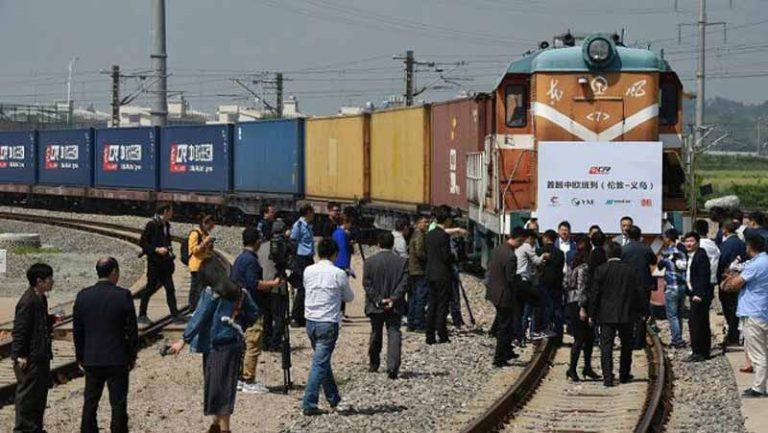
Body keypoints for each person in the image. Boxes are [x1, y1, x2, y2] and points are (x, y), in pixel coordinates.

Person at [169, 258, 259, 433]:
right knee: (225, 385)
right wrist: (238, 326)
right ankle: (216, 424)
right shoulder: (239, 291)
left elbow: (199, 317)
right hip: (233, 345)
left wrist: (184, 340)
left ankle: (224, 428)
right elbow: (254, 312)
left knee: (218, 388)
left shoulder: (211, 293)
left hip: (216, 347)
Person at [73, 257, 139, 433]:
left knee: (90, 401)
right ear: (114, 272)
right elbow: (132, 330)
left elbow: (78, 330)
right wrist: (132, 355)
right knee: (118, 403)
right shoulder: (123, 295)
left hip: (92, 358)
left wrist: (80, 356)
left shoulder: (83, 296)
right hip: (117, 358)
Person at [301, 239, 355, 415]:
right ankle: (309, 403)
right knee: (319, 363)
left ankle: (334, 398)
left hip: (310, 321)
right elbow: (349, 297)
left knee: (322, 362)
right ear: (335, 253)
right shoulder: (338, 273)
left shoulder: (308, 270)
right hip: (328, 322)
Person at [230, 228, 281, 394]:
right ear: (257, 241)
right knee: (253, 343)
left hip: (240, 306)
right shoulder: (251, 260)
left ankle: (238, 378)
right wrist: (273, 284)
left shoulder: (240, 258)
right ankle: (248, 379)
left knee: (242, 344)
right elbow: (254, 284)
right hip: (251, 306)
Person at [590, 242, 644, 387]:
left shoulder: (601, 270)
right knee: (627, 345)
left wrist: (592, 314)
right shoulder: (630, 270)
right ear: (621, 254)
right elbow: (639, 292)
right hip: (627, 313)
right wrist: (643, 311)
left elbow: (595, 294)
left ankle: (607, 377)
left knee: (606, 346)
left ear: (607, 254)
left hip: (606, 314)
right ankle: (624, 374)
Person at [722, 235, 768, 397]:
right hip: (763, 310)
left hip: (754, 312)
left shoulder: (756, 265)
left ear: (750, 247)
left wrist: (730, 278)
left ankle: (758, 387)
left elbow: (734, 284)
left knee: (758, 353)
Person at [12, 263, 54, 433]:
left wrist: (51, 319)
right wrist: (20, 355)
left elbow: (40, 322)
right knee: (27, 394)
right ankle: (23, 428)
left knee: (39, 394)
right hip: (30, 356)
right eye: (49, 279)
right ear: (39, 281)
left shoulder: (41, 298)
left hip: (41, 354)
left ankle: (35, 427)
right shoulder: (27, 302)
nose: (52, 282)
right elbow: (20, 330)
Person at [363, 232, 408, 379]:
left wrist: (378, 299)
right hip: (395, 305)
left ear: (378, 244)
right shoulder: (402, 262)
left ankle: (374, 363)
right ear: (392, 244)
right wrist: (393, 299)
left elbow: (367, 284)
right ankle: (393, 367)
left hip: (375, 305)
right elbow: (404, 283)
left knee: (376, 332)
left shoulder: (369, 262)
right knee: (394, 332)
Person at [486, 228, 525, 367]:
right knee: (505, 326)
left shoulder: (498, 249)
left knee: (504, 323)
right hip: (504, 295)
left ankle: (507, 351)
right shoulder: (511, 256)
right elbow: (510, 278)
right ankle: (499, 357)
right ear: (519, 239)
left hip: (494, 291)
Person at [138, 202, 181, 324]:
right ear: (165, 211)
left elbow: (166, 241)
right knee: (150, 288)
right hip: (154, 263)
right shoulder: (152, 225)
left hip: (165, 264)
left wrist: (169, 250)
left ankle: (175, 315)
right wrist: (156, 249)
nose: (172, 214)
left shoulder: (166, 225)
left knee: (170, 289)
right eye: (171, 211)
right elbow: (143, 243)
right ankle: (142, 314)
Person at [565, 236, 599, 381]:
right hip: (580, 304)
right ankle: (573, 368)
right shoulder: (584, 268)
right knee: (582, 338)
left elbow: (566, 283)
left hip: (571, 301)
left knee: (587, 337)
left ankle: (586, 367)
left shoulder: (571, 265)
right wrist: (583, 308)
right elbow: (582, 288)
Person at [621, 225, 657, 349]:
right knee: (642, 314)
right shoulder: (646, 248)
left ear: (628, 236)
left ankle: (628, 339)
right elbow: (653, 261)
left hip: (628, 285)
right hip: (644, 285)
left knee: (628, 312)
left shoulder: (624, 249)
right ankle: (639, 341)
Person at [425, 205, 455, 344]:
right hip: (442, 274)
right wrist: (453, 257)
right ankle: (442, 334)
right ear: (447, 220)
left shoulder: (430, 234)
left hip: (430, 272)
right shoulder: (444, 236)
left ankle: (429, 335)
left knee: (432, 304)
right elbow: (446, 256)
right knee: (442, 305)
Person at [683, 231, 713, 362]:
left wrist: (698, 294)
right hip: (693, 293)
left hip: (698, 295)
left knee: (696, 323)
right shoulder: (690, 255)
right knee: (700, 322)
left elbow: (703, 276)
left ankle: (698, 352)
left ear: (697, 242)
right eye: (687, 241)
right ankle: (703, 350)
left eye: (691, 241)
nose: (688, 244)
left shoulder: (701, 255)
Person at [657, 229, 688, 348]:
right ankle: (679, 337)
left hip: (671, 287)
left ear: (669, 238)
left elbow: (660, 267)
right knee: (679, 314)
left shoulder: (666, 253)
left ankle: (677, 339)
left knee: (672, 315)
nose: (663, 240)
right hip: (682, 286)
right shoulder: (682, 251)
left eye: (664, 237)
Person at [718, 221, 747, 345]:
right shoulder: (742, 243)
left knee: (728, 307)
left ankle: (732, 335)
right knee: (736, 306)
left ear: (724, 230)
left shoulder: (726, 244)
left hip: (727, 278)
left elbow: (721, 260)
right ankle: (736, 334)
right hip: (740, 278)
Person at [517, 229, 547, 340]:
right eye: (534, 239)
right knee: (534, 305)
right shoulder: (527, 247)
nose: (534, 242)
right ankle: (532, 331)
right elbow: (537, 261)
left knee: (525, 308)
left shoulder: (520, 247)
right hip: (524, 281)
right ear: (530, 238)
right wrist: (544, 256)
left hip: (520, 279)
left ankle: (522, 333)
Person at [290, 204, 316, 328]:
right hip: (301, 259)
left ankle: (303, 316)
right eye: (312, 212)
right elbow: (293, 241)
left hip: (308, 258)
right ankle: (295, 316)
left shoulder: (307, 226)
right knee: (302, 288)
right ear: (307, 213)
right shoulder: (298, 226)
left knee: (309, 287)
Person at [539, 230, 565, 341]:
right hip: (557, 285)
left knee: (543, 308)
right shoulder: (560, 253)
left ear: (545, 238)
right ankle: (558, 334)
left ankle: (542, 330)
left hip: (543, 284)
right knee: (557, 310)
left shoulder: (539, 251)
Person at [189, 214, 216, 311]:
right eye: (210, 225)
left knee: (202, 289)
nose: (211, 228)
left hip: (204, 266)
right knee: (196, 289)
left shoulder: (205, 234)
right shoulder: (195, 233)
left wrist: (210, 245)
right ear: (205, 223)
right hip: (196, 266)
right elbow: (194, 250)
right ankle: (192, 309)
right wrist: (205, 242)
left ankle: (199, 308)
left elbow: (206, 251)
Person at [407, 215, 429, 332]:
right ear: (418, 223)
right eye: (425, 222)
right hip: (419, 270)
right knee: (420, 297)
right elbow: (419, 252)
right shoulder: (420, 235)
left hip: (413, 270)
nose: (427, 224)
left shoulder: (414, 234)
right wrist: (428, 258)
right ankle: (419, 323)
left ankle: (411, 322)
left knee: (413, 297)